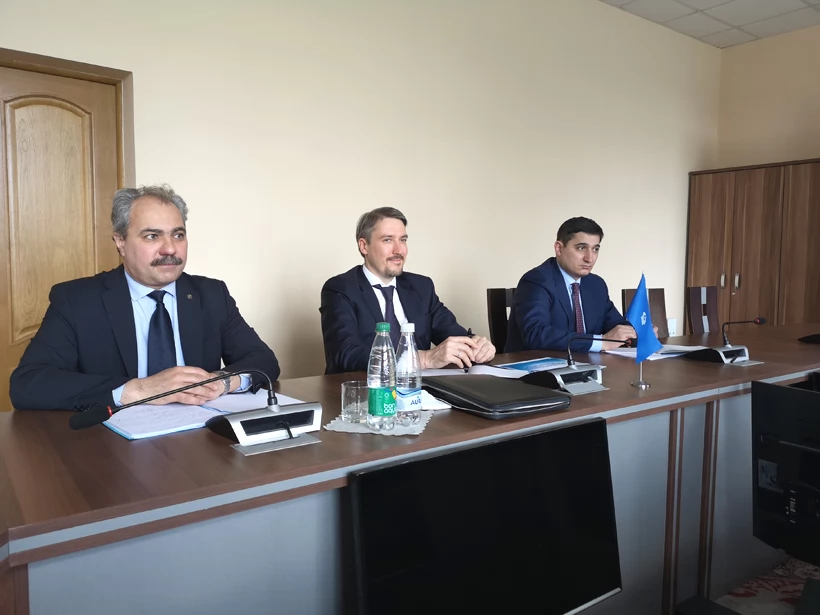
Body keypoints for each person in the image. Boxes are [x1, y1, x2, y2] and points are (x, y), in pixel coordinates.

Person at [10, 185, 280, 411]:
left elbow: (263, 360)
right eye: (152, 236)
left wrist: (222, 381)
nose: (170, 249)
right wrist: (140, 389)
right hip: (109, 444)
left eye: (178, 235)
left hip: (199, 438)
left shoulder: (210, 294)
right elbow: (28, 384)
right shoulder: (77, 300)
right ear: (121, 242)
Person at [320, 207, 495, 374]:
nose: (399, 250)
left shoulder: (421, 287)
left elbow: (453, 334)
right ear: (364, 246)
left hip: (420, 389)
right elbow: (346, 355)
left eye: (403, 240)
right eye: (388, 240)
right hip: (365, 390)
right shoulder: (340, 289)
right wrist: (423, 359)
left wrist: (477, 347)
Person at [505, 216, 635, 353]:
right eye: (581, 248)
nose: (589, 258)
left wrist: (635, 333)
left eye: (595, 249)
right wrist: (601, 342)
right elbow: (535, 333)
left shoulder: (596, 284)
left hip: (587, 363)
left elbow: (616, 327)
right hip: (537, 362)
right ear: (559, 248)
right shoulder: (536, 280)